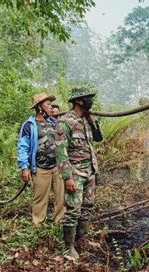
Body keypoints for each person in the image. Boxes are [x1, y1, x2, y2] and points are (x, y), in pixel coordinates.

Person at [55, 87, 103, 260]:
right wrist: (67, 177)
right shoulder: (65, 122)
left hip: (90, 172)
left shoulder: (86, 120)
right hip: (75, 173)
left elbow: (98, 139)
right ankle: (69, 247)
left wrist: (92, 122)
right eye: (88, 98)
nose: (91, 101)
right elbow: (61, 152)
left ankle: (82, 240)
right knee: (73, 210)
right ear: (78, 101)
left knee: (87, 207)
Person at [17, 93, 66, 226]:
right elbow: (23, 147)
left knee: (61, 197)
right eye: (48, 104)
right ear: (40, 107)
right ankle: (38, 224)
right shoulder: (29, 125)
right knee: (40, 198)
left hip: (57, 166)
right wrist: (24, 167)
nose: (51, 107)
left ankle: (59, 222)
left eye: (51, 104)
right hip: (40, 168)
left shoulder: (54, 123)